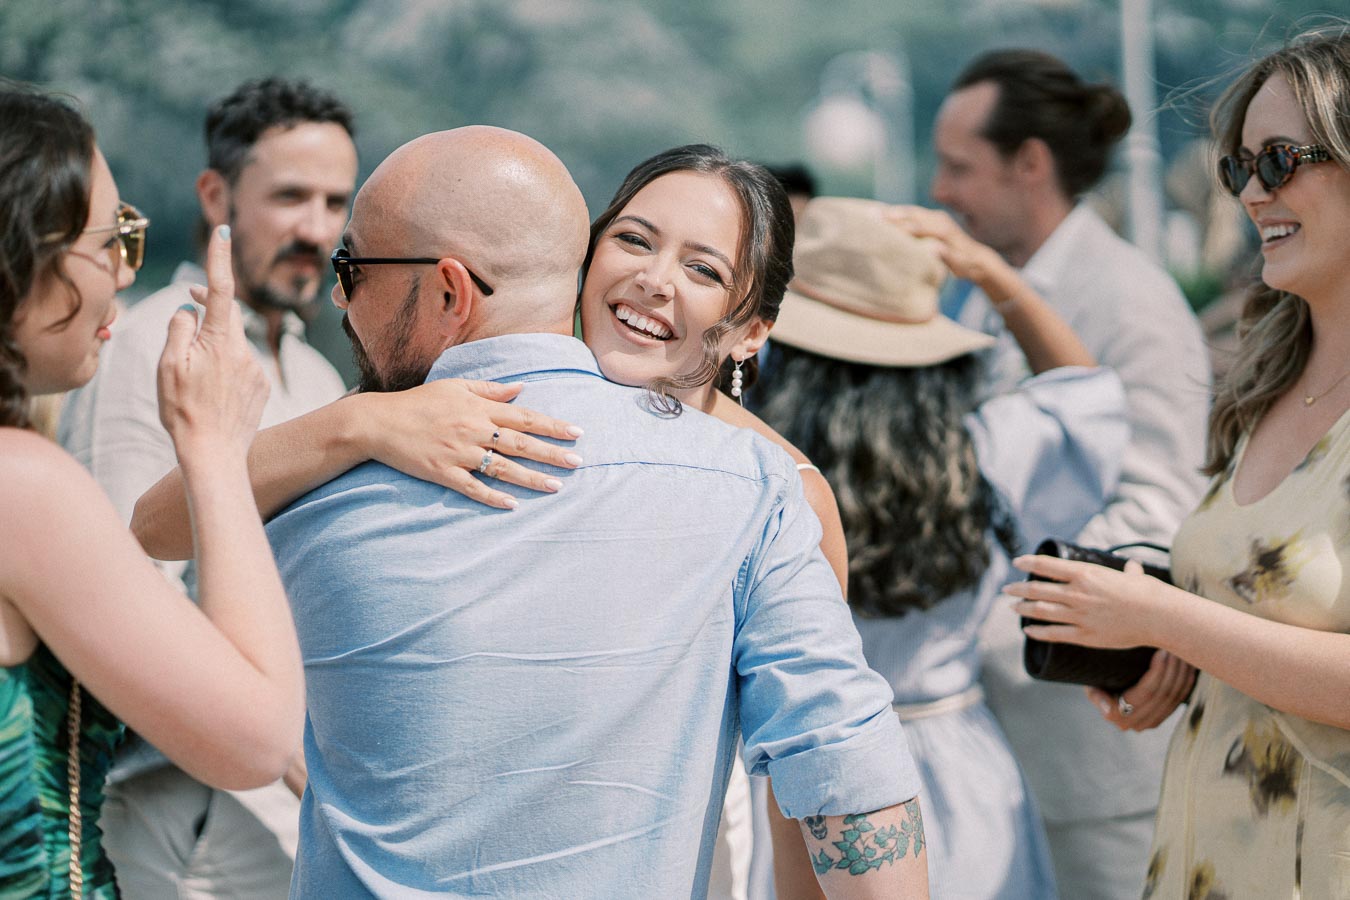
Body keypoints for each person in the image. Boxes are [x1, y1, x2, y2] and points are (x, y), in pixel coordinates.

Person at [175, 125, 925, 897]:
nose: (655, 280)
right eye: (634, 240)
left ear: (750, 331)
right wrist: (353, 422)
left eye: (702, 267)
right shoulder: (404, 429)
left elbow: (820, 764)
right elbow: (845, 760)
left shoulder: (771, 488)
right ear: (580, 254)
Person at [1009, 27, 1350, 899]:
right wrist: (1164, 660)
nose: (1250, 195)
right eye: (1238, 169)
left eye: (1280, 160)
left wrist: (1164, 617)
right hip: (1212, 856)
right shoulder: (1268, 375)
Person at [754, 196, 1128, 898]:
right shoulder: (982, 452)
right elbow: (1086, 397)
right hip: (957, 776)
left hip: (797, 772)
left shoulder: (755, 460)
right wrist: (995, 276)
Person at [0, 85, 303, 897]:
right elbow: (257, 739)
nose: (122, 271)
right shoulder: (22, 485)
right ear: (22, 253)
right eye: (108, 240)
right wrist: (212, 445)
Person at [57, 76, 356, 897]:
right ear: (216, 193)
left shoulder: (316, 371)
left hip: (296, 816)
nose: (316, 228)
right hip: (188, 818)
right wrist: (283, 748)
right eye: (290, 196)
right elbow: (124, 590)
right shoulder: (150, 343)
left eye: (336, 202)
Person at [928, 48, 1212, 898]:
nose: (939, 191)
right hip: (1006, 733)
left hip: (1096, 757)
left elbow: (1158, 508)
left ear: (1031, 165)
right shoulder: (986, 292)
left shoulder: (1131, 300)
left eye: (957, 167)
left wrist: (971, 608)